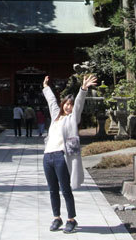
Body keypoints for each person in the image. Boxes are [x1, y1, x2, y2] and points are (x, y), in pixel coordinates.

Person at [42, 73, 97, 234]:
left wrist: (83, 89)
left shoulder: (73, 118)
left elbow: (79, 103)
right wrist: (46, 88)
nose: (68, 107)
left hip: (61, 156)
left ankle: (71, 219)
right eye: (66, 104)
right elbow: (52, 101)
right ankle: (56, 217)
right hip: (48, 156)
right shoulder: (55, 117)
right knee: (52, 189)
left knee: (65, 189)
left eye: (70, 105)